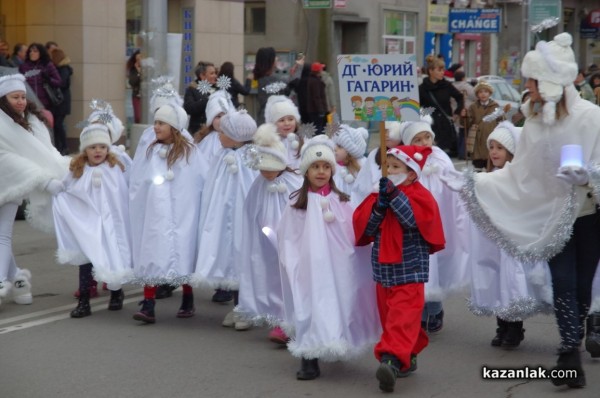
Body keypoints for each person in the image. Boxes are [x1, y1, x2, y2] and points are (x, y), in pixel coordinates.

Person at [442, 32, 600, 389]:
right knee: (563, 282)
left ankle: (572, 341)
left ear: (549, 81)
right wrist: (476, 182)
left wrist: (588, 175)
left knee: (581, 284)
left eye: (532, 79)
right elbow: (520, 172)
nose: (527, 85)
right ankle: (568, 353)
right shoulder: (534, 122)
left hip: (590, 215)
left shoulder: (592, 117)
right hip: (550, 216)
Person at [277, 135, 380, 380]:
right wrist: (294, 263)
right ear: (306, 170)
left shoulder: (342, 200)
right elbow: (288, 238)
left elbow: (352, 232)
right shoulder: (295, 204)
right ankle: (309, 356)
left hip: (337, 265)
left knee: (338, 302)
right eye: (315, 166)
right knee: (308, 305)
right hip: (308, 266)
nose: (321, 172)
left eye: (326, 167)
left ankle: (336, 340)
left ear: (333, 170)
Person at [353, 145, 445, 393]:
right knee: (391, 319)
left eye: (396, 167)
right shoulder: (379, 193)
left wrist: (394, 197)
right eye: (388, 166)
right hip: (383, 270)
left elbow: (412, 220)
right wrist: (379, 207)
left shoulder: (419, 195)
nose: (390, 171)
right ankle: (409, 354)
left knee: (401, 319)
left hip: (410, 269)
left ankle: (390, 361)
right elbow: (368, 229)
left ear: (412, 173)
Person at [466, 121, 553, 347]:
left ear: (512, 152)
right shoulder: (489, 176)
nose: (494, 152)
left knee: (512, 281)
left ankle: (514, 326)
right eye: (492, 147)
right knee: (496, 280)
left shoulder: (518, 177)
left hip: (513, 238)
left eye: (500, 148)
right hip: (493, 239)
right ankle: (502, 325)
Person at [129, 103, 206, 323]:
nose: (156, 127)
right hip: (156, 212)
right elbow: (139, 181)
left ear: (174, 127)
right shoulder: (151, 151)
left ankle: (188, 297)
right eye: (155, 122)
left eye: (161, 123)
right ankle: (148, 303)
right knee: (152, 249)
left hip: (183, 213)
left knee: (184, 250)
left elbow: (200, 180)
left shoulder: (189, 152)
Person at [0, 74, 69, 307]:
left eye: (22, 96)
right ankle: (18, 280)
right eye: (14, 97)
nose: (20, 101)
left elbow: (42, 154)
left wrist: (49, 178)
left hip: (13, 183)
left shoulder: (31, 122)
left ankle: (1, 281)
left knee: (3, 234)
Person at [52, 124, 132, 318]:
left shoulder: (114, 169)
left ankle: (116, 293)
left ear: (108, 149)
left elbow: (123, 195)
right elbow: (67, 190)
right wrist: (58, 193)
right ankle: (84, 301)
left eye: (102, 147)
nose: (98, 151)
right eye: (93, 147)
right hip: (88, 226)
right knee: (86, 262)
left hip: (111, 225)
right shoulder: (77, 170)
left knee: (112, 258)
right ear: (84, 149)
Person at [399, 118, 470, 334]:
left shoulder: (441, 157)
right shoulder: (407, 161)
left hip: (441, 220)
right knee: (420, 266)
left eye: (427, 137)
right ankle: (422, 311)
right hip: (416, 221)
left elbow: (451, 184)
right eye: (418, 139)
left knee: (438, 264)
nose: (424, 142)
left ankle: (435, 308)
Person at [235, 123, 302, 344]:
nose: (265, 172)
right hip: (267, 243)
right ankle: (278, 318)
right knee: (272, 278)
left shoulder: (293, 183)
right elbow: (251, 211)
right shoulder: (259, 185)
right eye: (262, 168)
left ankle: (292, 321)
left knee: (291, 278)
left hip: (289, 241)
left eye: (269, 167)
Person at [192, 108, 258, 330]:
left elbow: (249, 187)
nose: (218, 136)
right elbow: (215, 186)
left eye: (223, 132)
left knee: (243, 257)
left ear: (236, 136)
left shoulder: (249, 157)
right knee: (230, 260)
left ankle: (247, 308)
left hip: (242, 218)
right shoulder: (222, 156)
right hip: (224, 216)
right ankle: (239, 305)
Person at [419, 54, 464, 157]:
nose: (442, 73)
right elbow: (418, 109)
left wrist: (457, 112)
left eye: (443, 70)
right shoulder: (422, 88)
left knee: (445, 156)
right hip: (429, 126)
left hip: (446, 126)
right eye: (439, 70)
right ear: (431, 71)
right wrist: (428, 112)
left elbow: (460, 97)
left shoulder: (446, 85)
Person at [351, 121, 402, 208]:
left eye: (390, 131)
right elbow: (363, 185)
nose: (386, 135)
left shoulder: (407, 155)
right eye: (384, 131)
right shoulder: (374, 154)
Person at [467, 80, 502, 169]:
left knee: (490, 165)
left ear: (489, 93)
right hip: (477, 141)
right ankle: (477, 181)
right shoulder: (473, 107)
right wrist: (464, 117)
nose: (483, 94)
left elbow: (501, 121)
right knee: (477, 166)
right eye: (480, 92)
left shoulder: (495, 106)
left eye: (486, 91)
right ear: (477, 94)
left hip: (491, 138)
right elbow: (467, 123)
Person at [18, 43, 62, 112]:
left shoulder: (47, 65)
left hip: (44, 102)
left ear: (41, 53)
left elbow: (58, 82)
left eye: (35, 51)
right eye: (30, 51)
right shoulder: (24, 66)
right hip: (29, 101)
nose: (32, 53)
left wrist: (48, 79)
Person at [264, 95, 303, 169]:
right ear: (273, 124)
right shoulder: (271, 144)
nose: (287, 123)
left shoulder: (302, 141)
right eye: (281, 120)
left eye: (291, 119)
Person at [253, 47, 289, 125]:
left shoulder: (262, 78)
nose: (277, 59)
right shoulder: (269, 80)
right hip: (269, 123)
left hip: (266, 120)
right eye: (275, 56)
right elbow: (289, 84)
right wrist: (298, 69)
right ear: (269, 60)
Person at [332, 124, 368, 196]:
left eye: (339, 146)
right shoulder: (332, 165)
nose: (334, 148)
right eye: (334, 144)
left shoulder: (361, 165)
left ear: (350, 151)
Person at [49, 48, 73, 155]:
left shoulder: (63, 69)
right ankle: (61, 146)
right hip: (61, 100)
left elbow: (62, 83)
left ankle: (63, 146)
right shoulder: (63, 68)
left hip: (61, 101)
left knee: (58, 125)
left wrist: (50, 80)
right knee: (58, 125)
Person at [183, 61, 217, 135]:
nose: (215, 76)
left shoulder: (217, 89)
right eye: (212, 73)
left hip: (214, 132)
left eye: (215, 73)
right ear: (202, 76)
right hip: (198, 132)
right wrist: (207, 100)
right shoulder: (192, 89)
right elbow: (188, 108)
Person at [452, 71, 476, 160]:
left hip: (454, 111)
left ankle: (459, 151)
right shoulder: (466, 86)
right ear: (463, 77)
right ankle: (463, 153)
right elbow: (475, 96)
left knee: (460, 133)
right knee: (465, 132)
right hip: (465, 110)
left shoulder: (452, 86)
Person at [304, 62, 328, 134]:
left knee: (317, 128)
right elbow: (316, 97)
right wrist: (321, 110)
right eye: (321, 69)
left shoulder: (312, 80)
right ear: (318, 70)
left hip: (313, 110)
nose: (322, 70)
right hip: (316, 110)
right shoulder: (315, 81)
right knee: (318, 129)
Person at [126, 50, 142, 124]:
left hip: (146, 95)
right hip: (137, 95)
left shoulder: (148, 69)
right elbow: (132, 82)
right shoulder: (133, 70)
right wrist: (138, 72)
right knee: (138, 116)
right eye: (137, 59)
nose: (139, 61)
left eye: (140, 59)